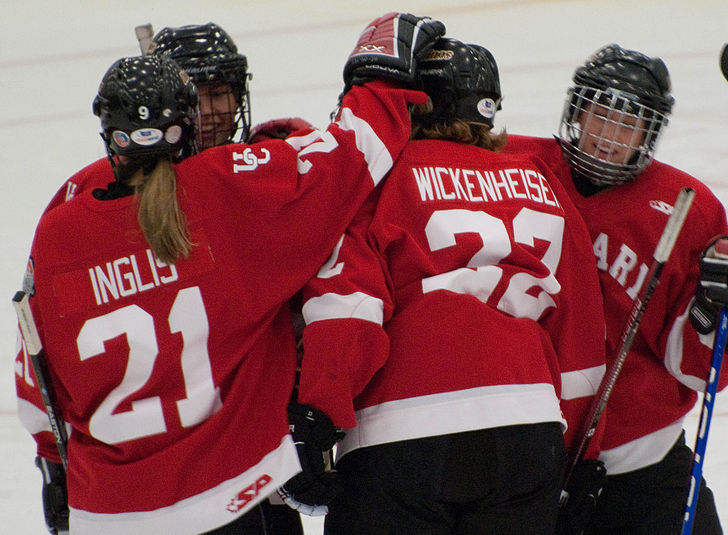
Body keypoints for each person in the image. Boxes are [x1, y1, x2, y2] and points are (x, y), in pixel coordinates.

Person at [13, 13, 445, 534]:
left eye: (223, 91)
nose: (214, 110)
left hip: (112, 508)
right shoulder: (238, 183)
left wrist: (53, 465)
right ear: (181, 111)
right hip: (235, 484)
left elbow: (37, 362)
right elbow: (352, 161)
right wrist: (382, 74)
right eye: (199, 95)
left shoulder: (67, 216)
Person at [293, 37, 606, 534]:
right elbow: (581, 340)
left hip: (401, 431)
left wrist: (318, 416)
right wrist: (579, 454)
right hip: (528, 430)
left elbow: (349, 307)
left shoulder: (380, 178)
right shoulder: (539, 180)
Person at [505, 44, 728, 534]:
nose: (607, 137)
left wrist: (727, 321)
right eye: (598, 116)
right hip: (525, 464)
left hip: (642, 468)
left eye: (627, 125)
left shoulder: (688, 206)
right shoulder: (513, 166)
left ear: (650, 135)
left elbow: (695, 367)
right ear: (575, 112)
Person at [44, 22, 314, 211]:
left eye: (218, 94)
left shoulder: (278, 156)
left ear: (239, 97)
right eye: (195, 100)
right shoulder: (104, 182)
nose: (206, 113)